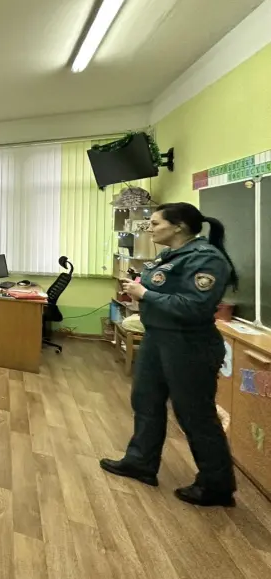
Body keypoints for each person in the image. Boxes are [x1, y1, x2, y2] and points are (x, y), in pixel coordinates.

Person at [99, 202, 239, 507]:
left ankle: (216, 485)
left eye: (155, 224)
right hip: (157, 338)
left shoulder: (206, 259)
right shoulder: (169, 255)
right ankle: (141, 462)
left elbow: (195, 306)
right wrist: (139, 287)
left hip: (189, 344)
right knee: (145, 400)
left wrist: (145, 294)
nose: (149, 229)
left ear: (179, 227)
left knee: (194, 414)